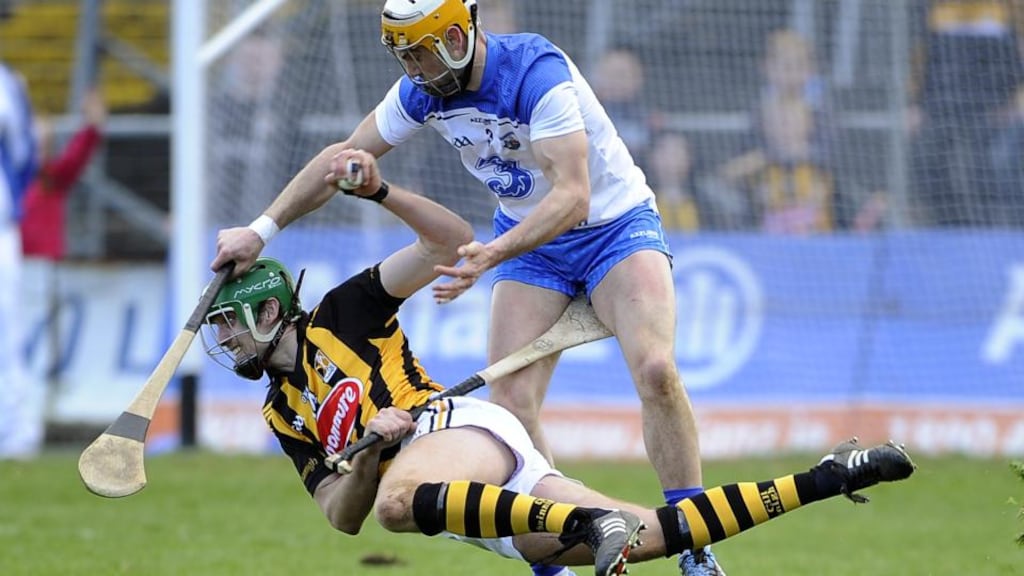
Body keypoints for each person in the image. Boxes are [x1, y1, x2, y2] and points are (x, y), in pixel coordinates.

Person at [203, 151, 916, 576]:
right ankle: (830, 476)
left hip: (452, 432)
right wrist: (365, 455)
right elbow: (341, 517)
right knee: (653, 534)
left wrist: (380, 192)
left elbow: (447, 242)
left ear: (269, 311)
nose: (226, 341)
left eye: (230, 323)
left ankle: (584, 526)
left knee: (397, 505)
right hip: (475, 508)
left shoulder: (341, 314)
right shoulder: (280, 410)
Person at [210, 1, 719, 573]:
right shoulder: (420, 92)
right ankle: (558, 561)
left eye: (421, 55)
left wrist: (493, 253)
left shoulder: (535, 73)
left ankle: (696, 546)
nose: (414, 70)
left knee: (656, 370)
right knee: (512, 404)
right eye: (403, 58)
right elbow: (340, 160)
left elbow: (574, 197)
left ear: (456, 37)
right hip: (533, 247)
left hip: (613, 227)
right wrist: (260, 231)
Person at [0, 60, 39, 458]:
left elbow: (24, 152)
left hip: (0, 229)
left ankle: (15, 433)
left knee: (7, 332)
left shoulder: (6, 82)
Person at [20, 88, 106, 259]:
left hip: (47, 263)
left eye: (44, 144)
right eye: (33, 144)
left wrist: (92, 126)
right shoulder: (11, 181)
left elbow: (77, 154)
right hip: (15, 262)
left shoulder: (53, 178)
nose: (38, 152)